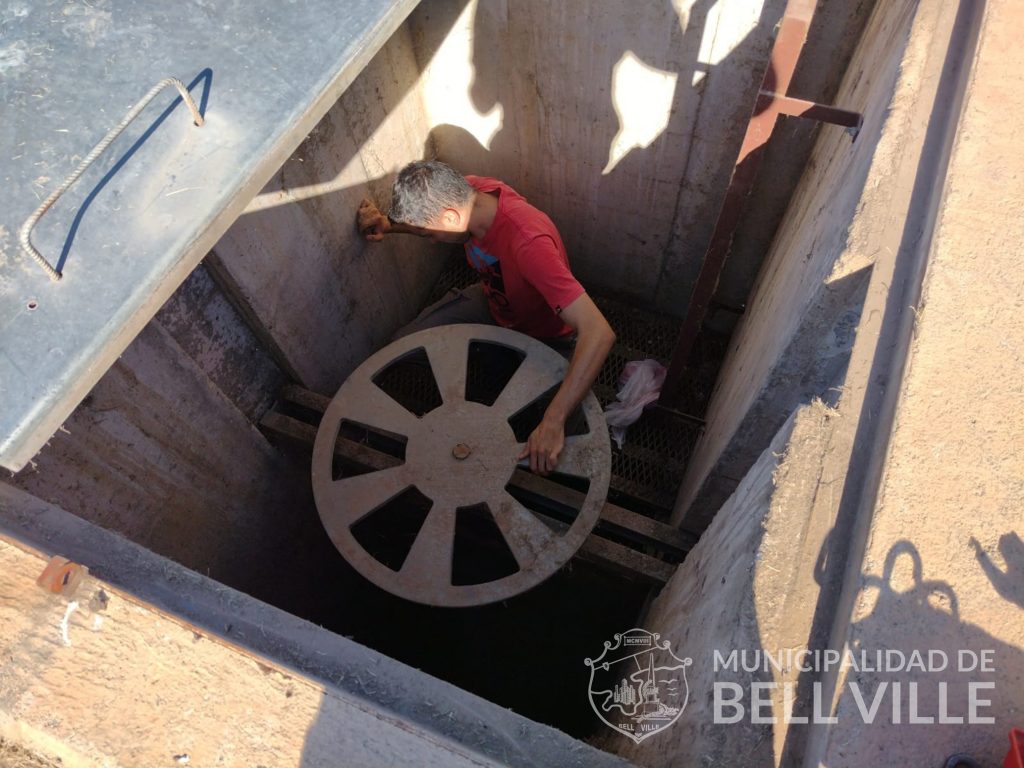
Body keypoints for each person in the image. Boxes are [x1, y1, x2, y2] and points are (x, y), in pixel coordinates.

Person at [357, 160, 616, 476]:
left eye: (428, 234)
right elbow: (430, 219)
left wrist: (552, 421)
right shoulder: (466, 190)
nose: (430, 240)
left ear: (450, 218)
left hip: (548, 336)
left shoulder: (529, 244)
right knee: (404, 344)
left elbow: (599, 332)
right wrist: (388, 223)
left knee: (558, 447)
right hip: (494, 300)